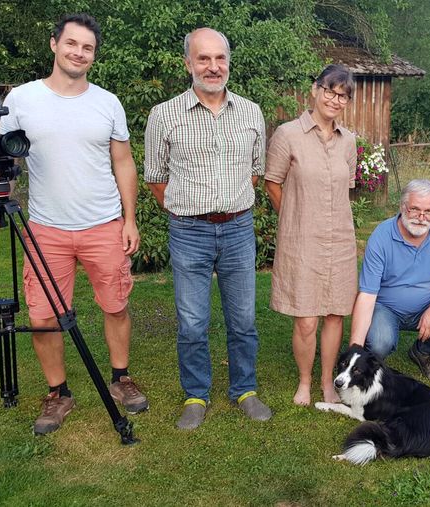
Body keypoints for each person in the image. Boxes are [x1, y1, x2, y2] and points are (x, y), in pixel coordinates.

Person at [0, 13, 146, 435]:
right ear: (54, 44)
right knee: (43, 316)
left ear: (94, 55)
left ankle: (120, 379)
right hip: (46, 228)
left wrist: (129, 219)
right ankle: (58, 393)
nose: (79, 52)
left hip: (103, 225)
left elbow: (123, 160)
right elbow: (2, 159)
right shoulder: (21, 99)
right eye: (72, 43)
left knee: (115, 305)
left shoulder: (107, 102)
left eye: (88, 47)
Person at [144, 27, 272, 429]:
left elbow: (255, 171)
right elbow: (155, 179)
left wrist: (226, 206)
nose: (213, 67)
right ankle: (196, 394)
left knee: (244, 320)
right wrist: (193, 211)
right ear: (188, 63)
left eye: (220, 58)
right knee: (193, 322)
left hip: (237, 229)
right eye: (204, 58)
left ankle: (245, 389)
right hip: (189, 232)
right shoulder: (163, 115)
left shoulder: (251, 112)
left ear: (228, 63)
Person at [265, 65, 358, 406]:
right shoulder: (287, 134)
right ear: (316, 90)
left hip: (340, 241)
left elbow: (345, 188)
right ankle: (304, 381)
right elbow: (272, 182)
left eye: (343, 95)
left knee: (335, 314)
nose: (335, 100)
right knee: (306, 318)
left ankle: (327, 382)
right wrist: (294, 217)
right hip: (302, 240)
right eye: (330, 91)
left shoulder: (348, 141)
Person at [348, 179, 430, 381]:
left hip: (426, 305)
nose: (421, 217)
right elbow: (367, 294)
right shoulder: (381, 236)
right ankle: (367, 357)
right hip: (386, 308)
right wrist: (354, 350)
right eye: (415, 209)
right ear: (402, 207)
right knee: (380, 342)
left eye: (428, 211)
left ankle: (422, 350)